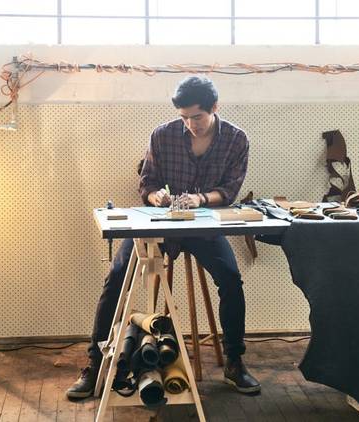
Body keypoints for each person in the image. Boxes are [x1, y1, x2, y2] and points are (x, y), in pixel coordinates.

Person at [66, 76, 260, 399]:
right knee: (116, 276)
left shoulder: (237, 140)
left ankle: (235, 362)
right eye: (184, 118)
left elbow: (229, 190)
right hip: (158, 222)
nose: (190, 124)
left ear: (215, 107)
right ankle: (95, 364)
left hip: (202, 226)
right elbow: (147, 183)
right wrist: (155, 196)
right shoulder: (163, 134)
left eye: (197, 117)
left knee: (230, 277)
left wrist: (201, 199)